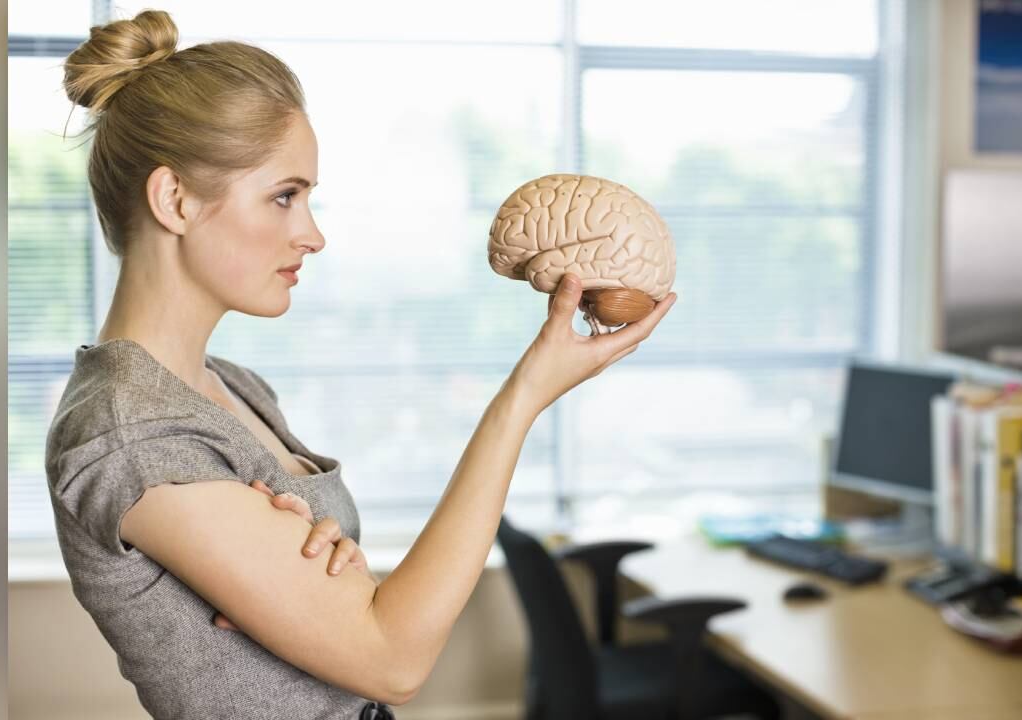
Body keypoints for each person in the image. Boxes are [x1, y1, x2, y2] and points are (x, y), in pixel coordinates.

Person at [43, 9, 676, 720]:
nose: (311, 234)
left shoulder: (233, 387)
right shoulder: (131, 431)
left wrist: (320, 572)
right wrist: (524, 395)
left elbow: (356, 617)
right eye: (285, 195)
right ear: (175, 199)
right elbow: (391, 659)